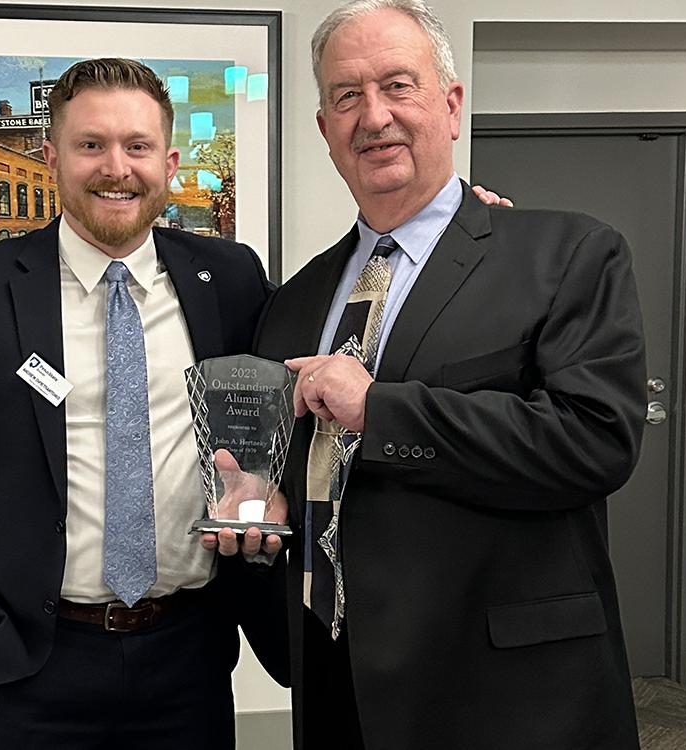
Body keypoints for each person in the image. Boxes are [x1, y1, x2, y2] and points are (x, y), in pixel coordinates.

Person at [226, 1, 647, 748]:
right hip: (335, 685)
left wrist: (380, 412)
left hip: (509, 698)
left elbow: (597, 441)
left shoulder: (566, 254)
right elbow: (301, 481)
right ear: (325, 131)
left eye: (398, 85)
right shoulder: (292, 302)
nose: (374, 115)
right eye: (347, 96)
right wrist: (262, 510)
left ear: (451, 105)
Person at [0, 58, 288, 749]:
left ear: (168, 161)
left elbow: (307, 363)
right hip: (28, 662)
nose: (115, 168)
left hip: (189, 654)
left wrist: (456, 224)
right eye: (91, 145)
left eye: (137, 146)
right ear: (51, 155)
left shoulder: (229, 277)